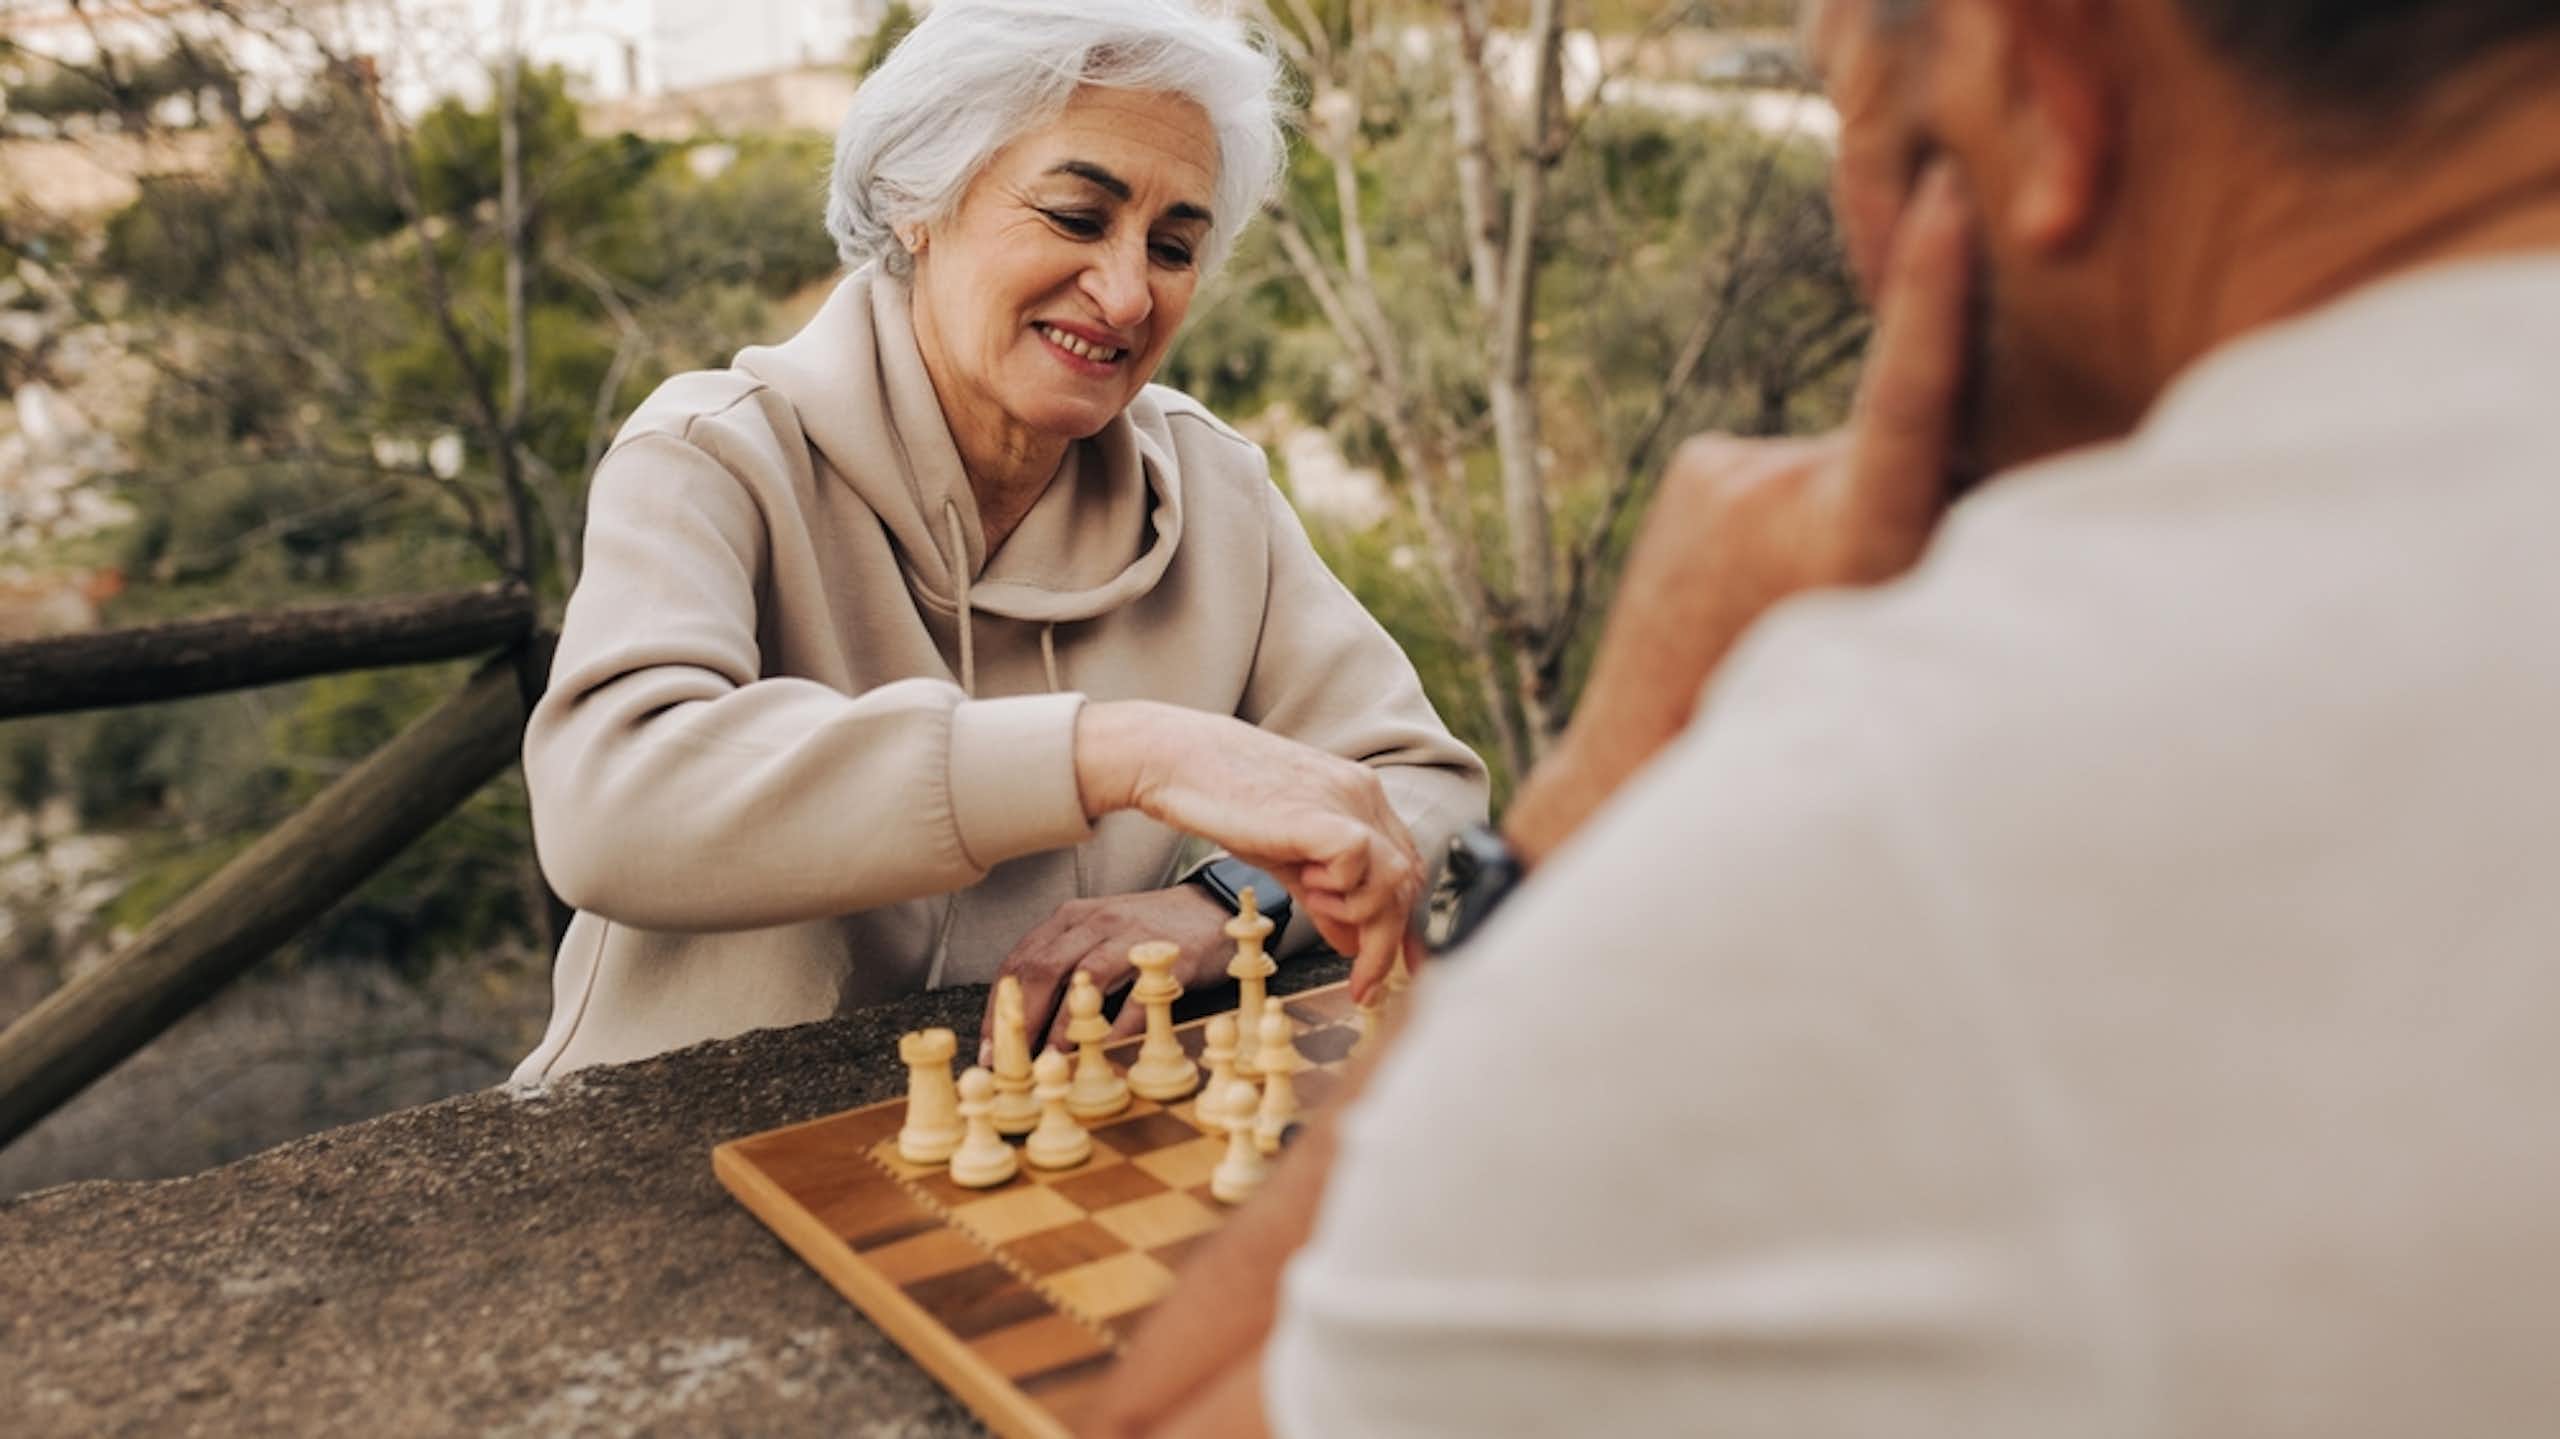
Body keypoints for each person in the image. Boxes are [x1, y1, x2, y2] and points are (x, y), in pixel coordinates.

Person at [1094, 0, 2560, 1432]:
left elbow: (1169, 1416)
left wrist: (1619, 758)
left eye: (1848, 102)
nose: (1861, 237)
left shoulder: (1909, 778)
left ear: (2037, 74)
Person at [510, 0, 1486, 1084]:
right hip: (689, 1150)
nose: (1125, 294)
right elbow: (609, 807)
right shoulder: (709, 453)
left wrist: (1221, 901)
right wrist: (1124, 751)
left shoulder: (1214, 487)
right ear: (916, 202)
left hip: (1056, 1136)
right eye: (1075, 216)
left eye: (1172, 247)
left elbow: (1420, 790)